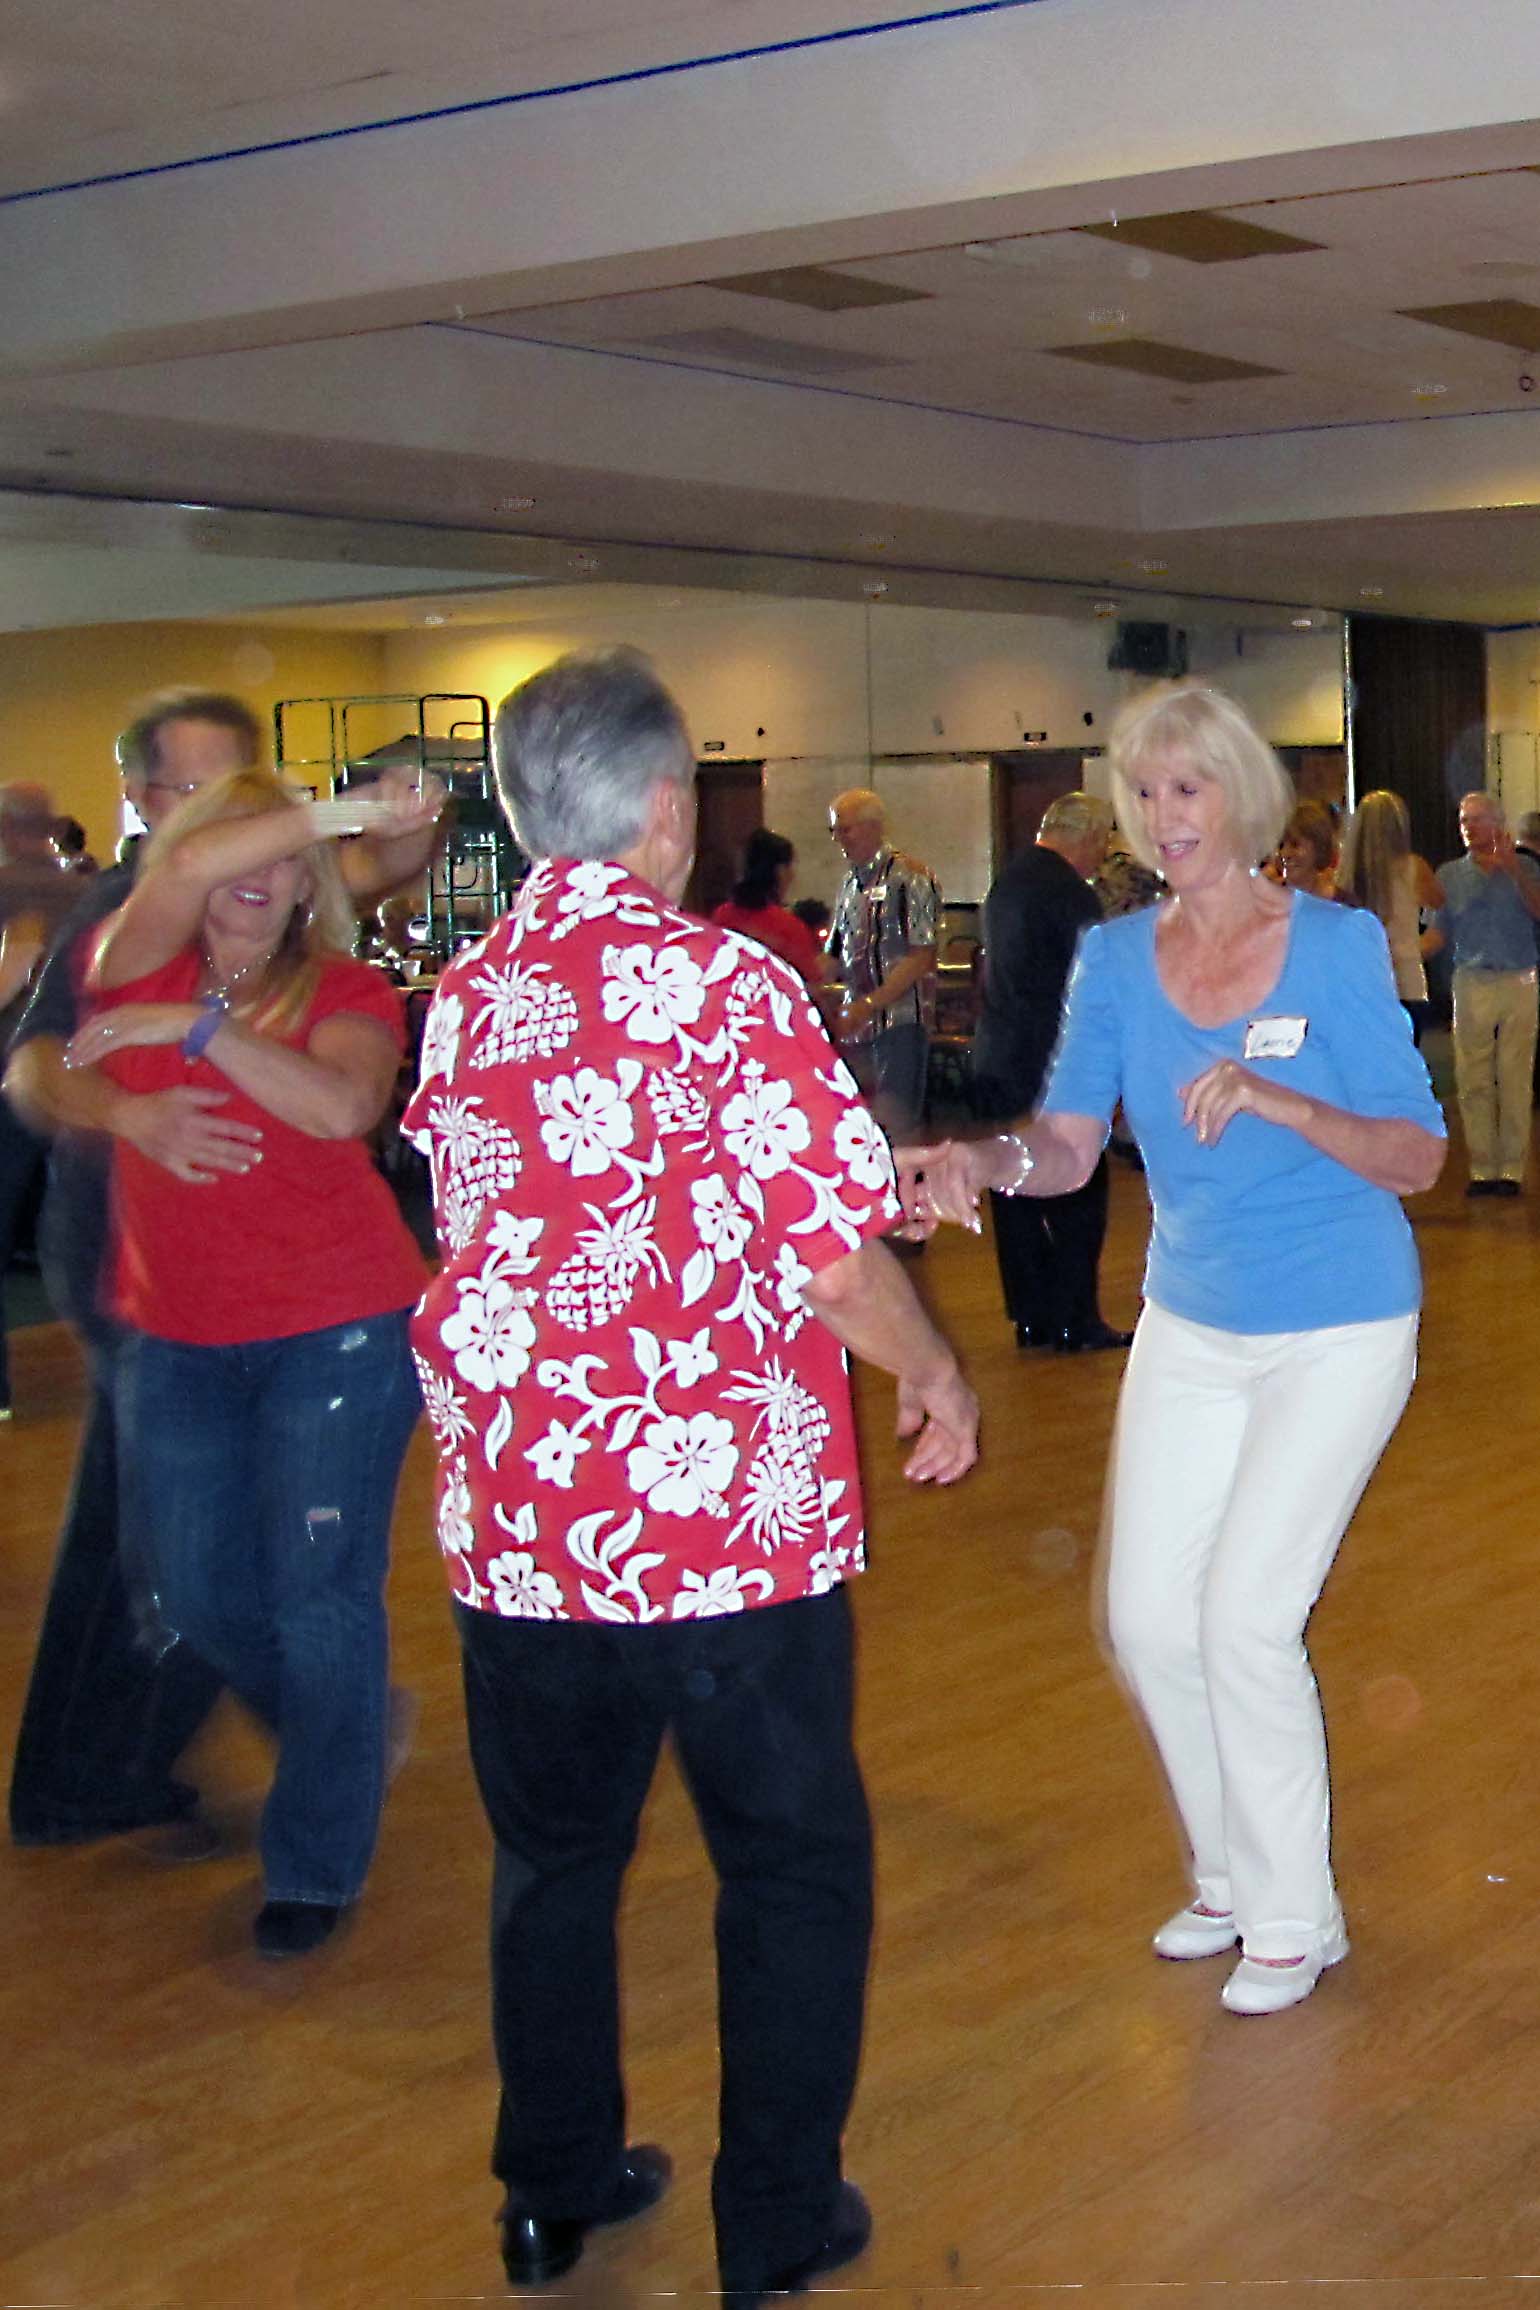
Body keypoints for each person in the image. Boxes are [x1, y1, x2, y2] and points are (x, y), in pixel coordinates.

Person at [403, 649, 977, 2304]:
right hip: (718, 1530)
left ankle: (551, 2188)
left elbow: (546, 1204)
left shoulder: (467, 997)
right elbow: (826, 1259)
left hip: (525, 1526)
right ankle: (772, 2221)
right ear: (666, 806)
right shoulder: (727, 983)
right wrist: (935, 1369)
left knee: (553, 1865)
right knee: (789, 1868)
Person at [898, 680, 1444, 2017]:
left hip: (1338, 1319)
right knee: (1147, 1619)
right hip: (1195, 1317)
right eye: (1143, 794)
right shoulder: (1114, 958)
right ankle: (1228, 1873)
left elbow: (1416, 1155)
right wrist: (980, 1158)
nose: (1162, 815)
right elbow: (1066, 1143)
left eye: (1185, 788)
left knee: (1244, 1618)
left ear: (1238, 796)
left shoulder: (1335, 946)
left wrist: (1280, 1099)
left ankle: (1295, 1916)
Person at [4, 688, 444, 1852]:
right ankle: (112, 1770)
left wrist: (390, 813)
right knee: (166, 1561)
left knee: (239, 1568)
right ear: (142, 802)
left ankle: (142, 1776)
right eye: (195, 795)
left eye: (243, 795)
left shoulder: (310, 952)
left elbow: (383, 865)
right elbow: (33, 1068)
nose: (238, 836)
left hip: (314, 1308)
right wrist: (128, 1114)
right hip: (134, 1264)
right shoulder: (127, 921)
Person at [972, 792, 1131, 1353]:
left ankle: (1031, 1315)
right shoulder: (1070, 895)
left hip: (999, 1055)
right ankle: (1075, 1318)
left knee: (1013, 1188)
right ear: (1084, 837)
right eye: (1102, 841)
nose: (1102, 854)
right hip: (1054, 1063)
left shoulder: (1006, 883)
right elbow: (1090, 989)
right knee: (1078, 1191)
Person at [0, 782, 78, 1416]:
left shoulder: (8, 891)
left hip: (13, 1078)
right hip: (84, 1076)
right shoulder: (82, 893)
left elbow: (15, 967)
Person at [1427, 790, 1540, 1195]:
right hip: (1472, 978)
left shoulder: (1527, 867)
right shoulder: (1449, 875)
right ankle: (1481, 1168)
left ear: (1498, 823)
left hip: (1519, 977)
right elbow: (1438, 933)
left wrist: (1515, 872)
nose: (1469, 827)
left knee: (1514, 1075)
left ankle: (1511, 1169)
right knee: (1472, 1076)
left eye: (1477, 819)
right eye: (1464, 820)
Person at [827, 788, 939, 1141]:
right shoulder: (848, 884)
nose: (839, 839)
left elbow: (922, 955)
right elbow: (833, 955)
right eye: (835, 830)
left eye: (846, 829)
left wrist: (871, 1003)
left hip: (900, 1021)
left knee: (897, 1124)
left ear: (873, 827)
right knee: (857, 1125)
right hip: (856, 1025)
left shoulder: (911, 877)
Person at [1335, 790, 1443, 1045]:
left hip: (1363, 978)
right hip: (1407, 977)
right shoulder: (1414, 867)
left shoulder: (1345, 876)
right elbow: (1439, 902)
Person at [711, 826, 825, 985]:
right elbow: (812, 984)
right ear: (779, 871)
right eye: (790, 866)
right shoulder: (789, 927)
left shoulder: (721, 916)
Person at [1273, 797, 1338, 896]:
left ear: (1319, 847)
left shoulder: (1343, 903)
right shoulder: (1268, 899)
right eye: (1281, 845)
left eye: (1295, 845)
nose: (1284, 853)